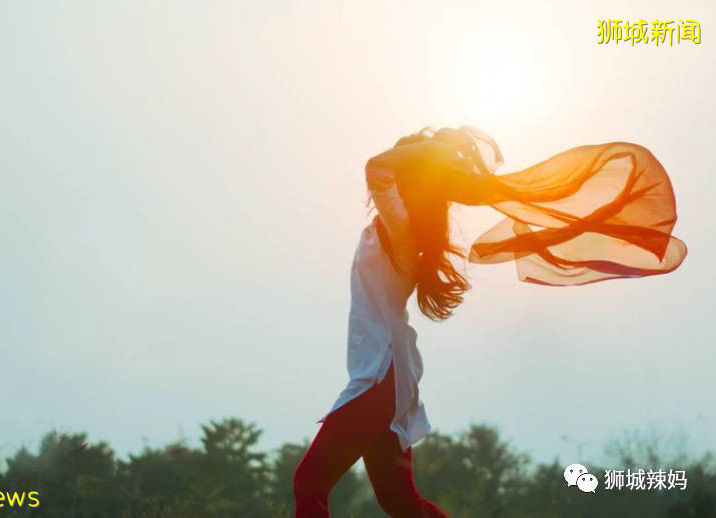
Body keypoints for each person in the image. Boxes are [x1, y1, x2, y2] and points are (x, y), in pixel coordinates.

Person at [291, 126, 687, 517]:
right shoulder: (404, 228)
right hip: (386, 376)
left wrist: (429, 153)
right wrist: (431, 155)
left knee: (309, 485)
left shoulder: (401, 227)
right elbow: (385, 169)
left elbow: (377, 167)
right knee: (399, 502)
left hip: (380, 376)